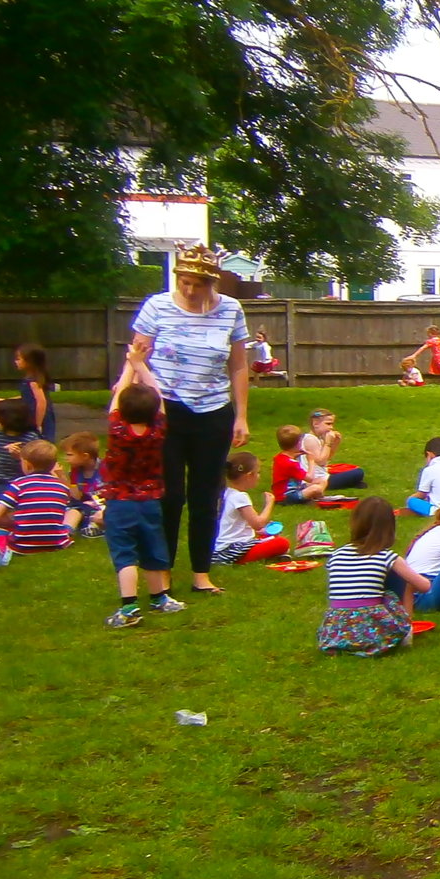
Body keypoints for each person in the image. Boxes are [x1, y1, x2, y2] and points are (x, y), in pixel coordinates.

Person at [125, 244, 250, 595]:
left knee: (206, 494)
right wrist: (128, 406)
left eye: (197, 283)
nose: (190, 289)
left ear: (212, 282)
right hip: (166, 410)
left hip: (213, 411)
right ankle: (160, 572)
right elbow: (136, 357)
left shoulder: (230, 310)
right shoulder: (157, 306)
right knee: (169, 494)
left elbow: (238, 365)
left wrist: (241, 416)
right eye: (184, 282)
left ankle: (200, 573)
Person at [101, 366, 179, 627]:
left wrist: (127, 366)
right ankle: (160, 598)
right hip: (150, 502)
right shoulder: (158, 430)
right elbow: (158, 395)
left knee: (125, 555)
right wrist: (141, 365)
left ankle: (129, 607)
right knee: (153, 548)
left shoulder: (117, 431)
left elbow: (118, 395)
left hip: (120, 502)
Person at [317, 498, 430, 657]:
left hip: (335, 629)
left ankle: (343, 645)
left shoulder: (336, 555)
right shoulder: (386, 556)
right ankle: (406, 633)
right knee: (399, 585)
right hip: (370, 631)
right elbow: (425, 586)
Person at [0, 441, 78, 553]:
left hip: (22, 544)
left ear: (28, 465)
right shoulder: (61, 485)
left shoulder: (18, 484)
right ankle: (65, 532)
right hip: (56, 543)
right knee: (74, 512)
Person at [211, 452, 289, 565]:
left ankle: (268, 554)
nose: (259, 476)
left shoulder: (227, 493)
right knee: (282, 543)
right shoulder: (240, 497)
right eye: (258, 473)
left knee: (265, 535)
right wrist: (269, 503)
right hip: (233, 550)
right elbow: (258, 523)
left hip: (221, 546)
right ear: (249, 476)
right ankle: (243, 559)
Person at [301, 408, 366, 491]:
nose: (331, 427)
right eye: (328, 424)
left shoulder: (319, 438)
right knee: (358, 472)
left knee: (349, 469)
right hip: (317, 480)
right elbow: (321, 461)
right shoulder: (310, 439)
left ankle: (353, 483)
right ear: (315, 423)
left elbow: (328, 458)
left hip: (322, 474)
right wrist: (328, 443)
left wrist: (336, 443)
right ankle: (352, 482)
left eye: (332, 424)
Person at [270, 425, 326, 506]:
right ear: (299, 443)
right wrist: (311, 461)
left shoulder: (279, 458)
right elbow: (310, 478)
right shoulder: (291, 464)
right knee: (316, 488)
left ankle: (312, 498)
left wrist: (295, 454)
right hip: (287, 496)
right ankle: (311, 500)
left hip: (284, 492)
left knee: (321, 480)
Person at [60, 432, 103, 535]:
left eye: (69, 455)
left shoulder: (106, 469)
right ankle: (66, 532)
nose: (66, 458)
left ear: (85, 456)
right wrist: (62, 476)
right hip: (82, 505)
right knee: (73, 510)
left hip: (102, 505)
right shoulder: (75, 471)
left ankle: (94, 527)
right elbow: (77, 496)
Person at [14, 342, 54, 441]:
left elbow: (41, 402)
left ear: (30, 361)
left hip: (38, 417)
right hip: (30, 415)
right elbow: (27, 397)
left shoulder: (33, 381)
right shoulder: (29, 379)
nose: (16, 362)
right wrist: (5, 400)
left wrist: (38, 424)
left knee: (40, 443)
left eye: (19, 359)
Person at [0, 400, 30, 504]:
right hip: (0, 479)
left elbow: (35, 464)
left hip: (21, 481)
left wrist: (20, 456)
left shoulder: (30, 438)